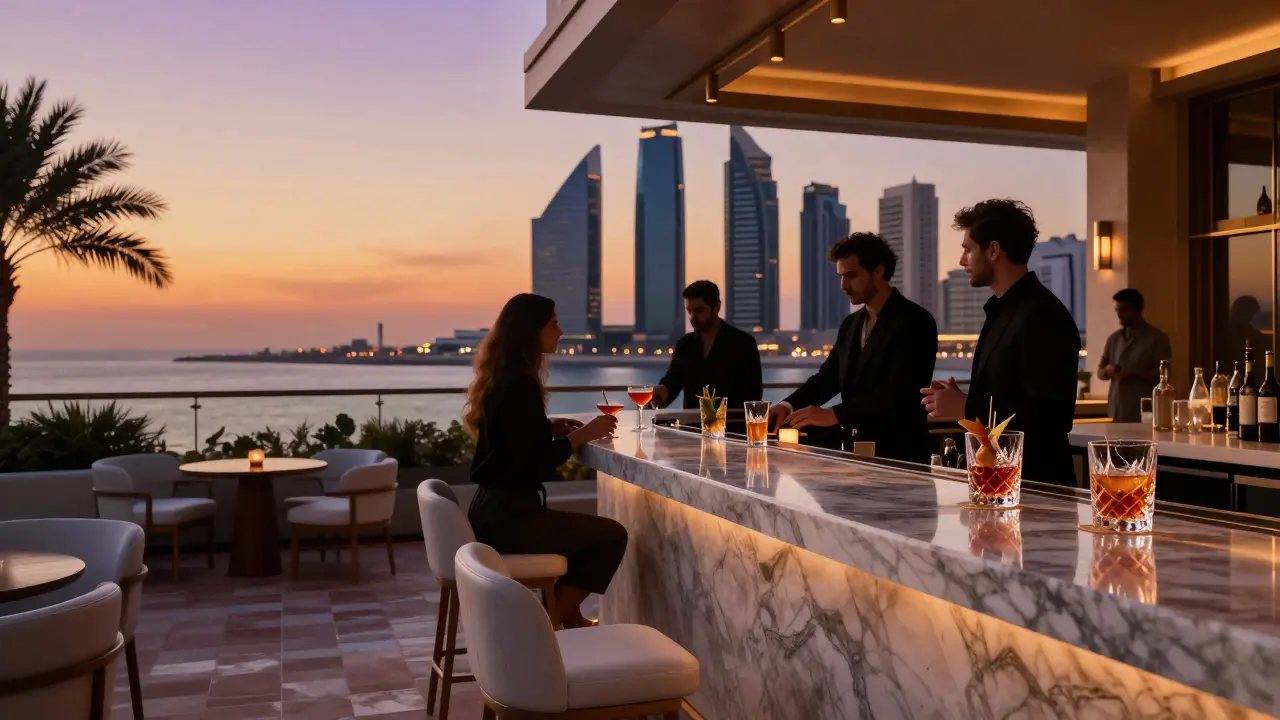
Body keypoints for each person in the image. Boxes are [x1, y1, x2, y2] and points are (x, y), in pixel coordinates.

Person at [464, 293, 625, 629]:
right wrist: (581, 435)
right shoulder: (519, 385)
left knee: (584, 535)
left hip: (492, 511)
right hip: (510, 520)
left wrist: (546, 427)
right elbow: (532, 464)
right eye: (553, 323)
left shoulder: (504, 379)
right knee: (611, 536)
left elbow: (510, 442)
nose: (560, 331)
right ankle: (543, 626)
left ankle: (572, 617)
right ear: (530, 330)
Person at [921, 199, 1080, 487]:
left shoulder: (1041, 315)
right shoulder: (1002, 311)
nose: (961, 261)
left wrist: (967, 407)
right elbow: (1009, 393)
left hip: (1036, 491)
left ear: (993, 250)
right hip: (999, 483)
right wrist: (964, 398)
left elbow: (1050, 417)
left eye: (968, 249)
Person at [768, 232, 938, 462]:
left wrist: (834, 414)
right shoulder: (851, 324)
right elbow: (828, 378)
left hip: (902, 455)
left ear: (878, 271)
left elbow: (900, 393)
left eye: (851, 275)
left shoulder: (915, 321)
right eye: (840, 276)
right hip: (854, 452)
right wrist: (787, 405)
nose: (843, 285)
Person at [653, 280, 763, 410]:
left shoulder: (743, 343)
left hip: (732, 426)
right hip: (691, 427)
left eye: (699, 311)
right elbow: (673, 381)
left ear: (717, 307)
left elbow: (754, 394)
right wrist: (660, 392)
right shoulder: (685, 344)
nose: (693, 317)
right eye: (689, 311)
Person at [1097, 288, 1171, 422]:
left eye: (1123, 309)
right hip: (1116, 410)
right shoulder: (1114, 339)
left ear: (1137, 309)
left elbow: (1164, 375)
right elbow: (1100, 372)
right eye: (1117, 310)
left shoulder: (1156, 338)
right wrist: (1107, 371)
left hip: (1142, 413)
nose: (1119, 314)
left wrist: (1132, 372)